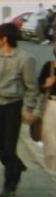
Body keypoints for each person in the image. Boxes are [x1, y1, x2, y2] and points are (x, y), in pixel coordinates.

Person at [0, 22, 40, 197]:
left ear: (4, 38)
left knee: (9, 146)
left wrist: (28, 108)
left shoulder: (25, 59)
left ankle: (10, 185)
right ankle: (16, 166)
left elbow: (31, 87)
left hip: (14, 105)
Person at [37, 41, 56, 171]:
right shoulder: (48, 67)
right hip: (51, 105)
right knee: (50, 142)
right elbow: (38, 87)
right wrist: (46, 85)